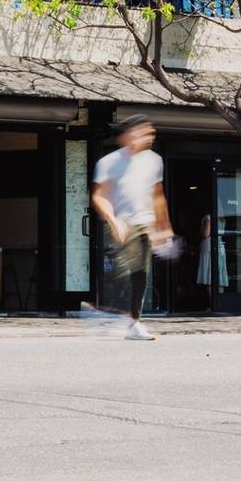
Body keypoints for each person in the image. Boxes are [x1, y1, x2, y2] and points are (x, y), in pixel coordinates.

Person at [90, 114, 174, 341]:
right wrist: (113, 220)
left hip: (145, 222)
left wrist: (163, 226)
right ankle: (109, 312)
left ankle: (133, 323)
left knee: (140, 274)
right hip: (121, 221)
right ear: (128, 135)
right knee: (124, 270)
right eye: (144, 132)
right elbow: (99, 196)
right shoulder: (109, 163)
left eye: (151, 133)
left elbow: (157, 195)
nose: (149, 137)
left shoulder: (154, 160)